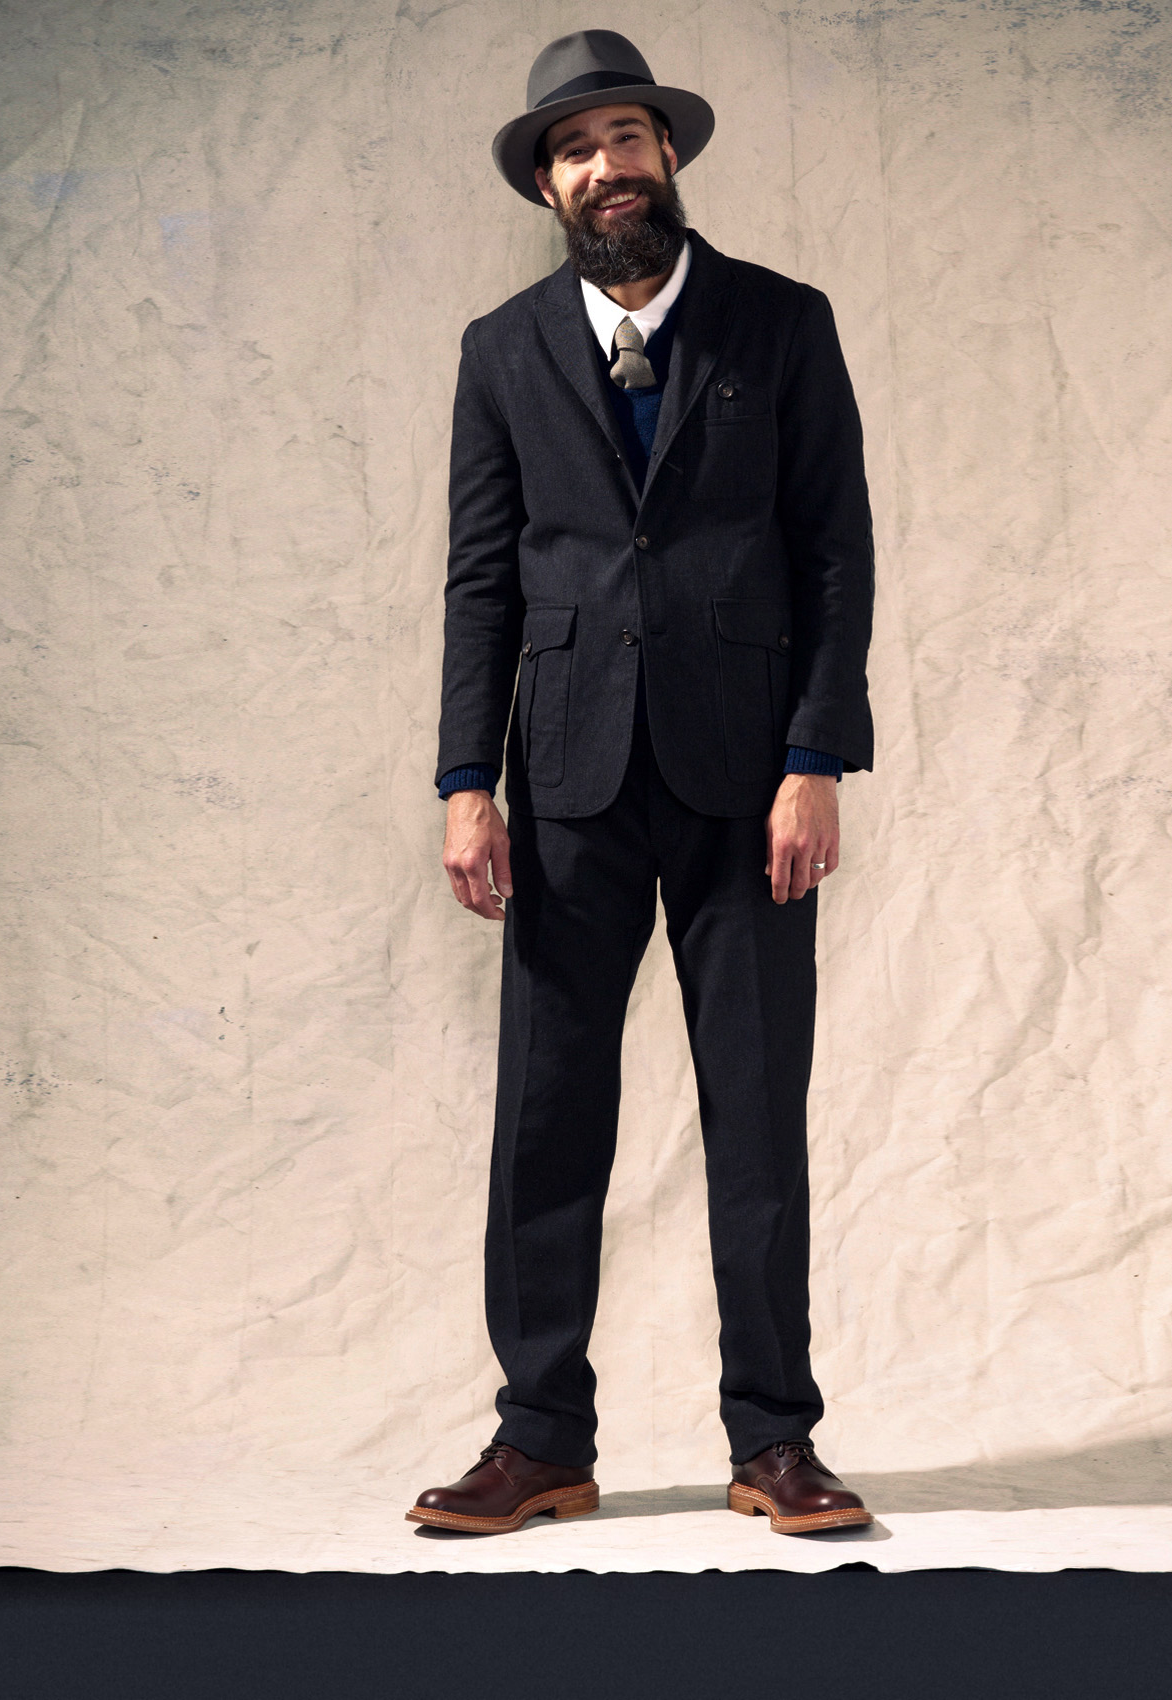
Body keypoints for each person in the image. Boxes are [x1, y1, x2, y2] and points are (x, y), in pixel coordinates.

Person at [408, 30, 875, 1536]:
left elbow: (835, 556)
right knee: (548, 1117)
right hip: (566, 778)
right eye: (575, 148)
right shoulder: (501, 350)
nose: (605, 166)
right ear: (547, 186)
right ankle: (541, 1440)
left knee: (757, 1111)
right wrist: (465, 782)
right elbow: (482, 580)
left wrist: (815, 758)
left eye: (625, 135)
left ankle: (775, 1439)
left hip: (750, 780)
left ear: (667, 153)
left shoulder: (781, 323)